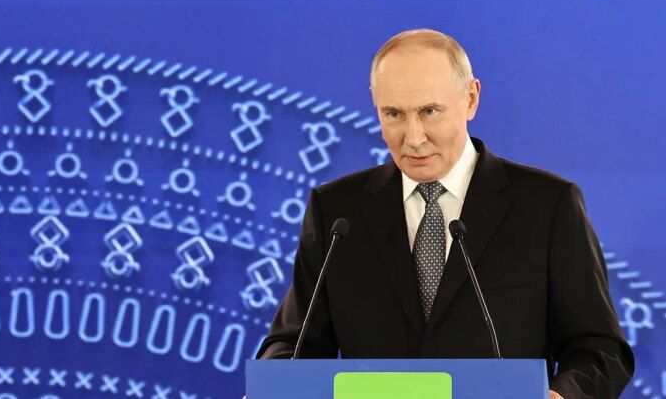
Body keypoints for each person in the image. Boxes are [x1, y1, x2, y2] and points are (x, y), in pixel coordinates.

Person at [254, 29, 634, 398]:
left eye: (430, 111)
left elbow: (600, 351)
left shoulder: (548, 205)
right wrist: (271, 389)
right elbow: (293, 344)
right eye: (393, 114)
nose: (413, 137)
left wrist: (562, 395)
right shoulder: (338, 213)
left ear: (471, 99)